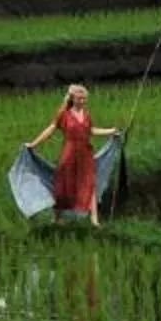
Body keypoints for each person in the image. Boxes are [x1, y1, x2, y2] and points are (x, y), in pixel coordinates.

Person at [25, 81, 110, 226]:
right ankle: (57, 218)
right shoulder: (63, 114)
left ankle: (94, 221)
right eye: (79, 98)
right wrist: (33, 144)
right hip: (69, 153)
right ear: (72, 98)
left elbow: (91, 131)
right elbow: (50, 129)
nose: (82, 101)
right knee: (63, 185)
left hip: (85, 154)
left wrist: (111, 131)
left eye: (84, 99)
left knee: (89, 184)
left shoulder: (86, 114)